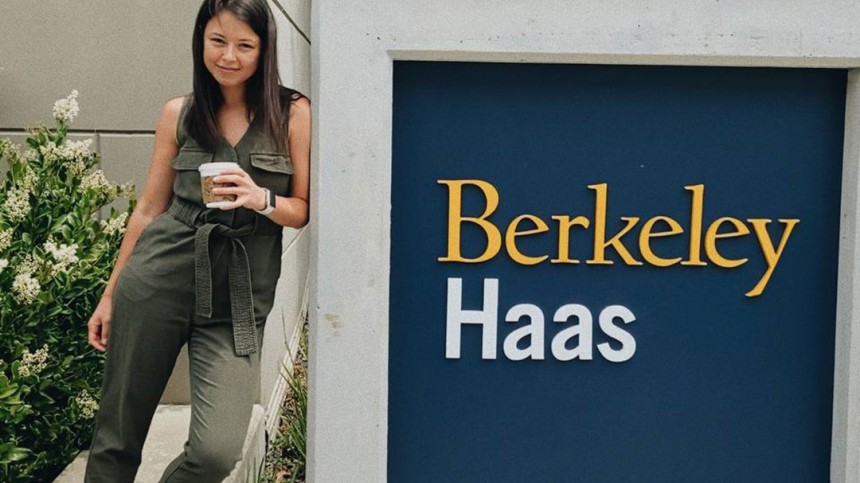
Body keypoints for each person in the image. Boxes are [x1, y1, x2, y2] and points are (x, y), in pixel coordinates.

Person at [83, 0, 310, 480]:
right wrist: (109, 295)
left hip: (237, 300)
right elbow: (148, 210)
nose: (229, 56)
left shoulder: (292, 113)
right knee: (116, 437)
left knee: (215, 453)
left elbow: (303, 209)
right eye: (218, 41)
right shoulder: (179, 113)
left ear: (264, 49)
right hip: (157, 281)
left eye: (244, 45)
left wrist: (260, 198)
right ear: (200, 41)